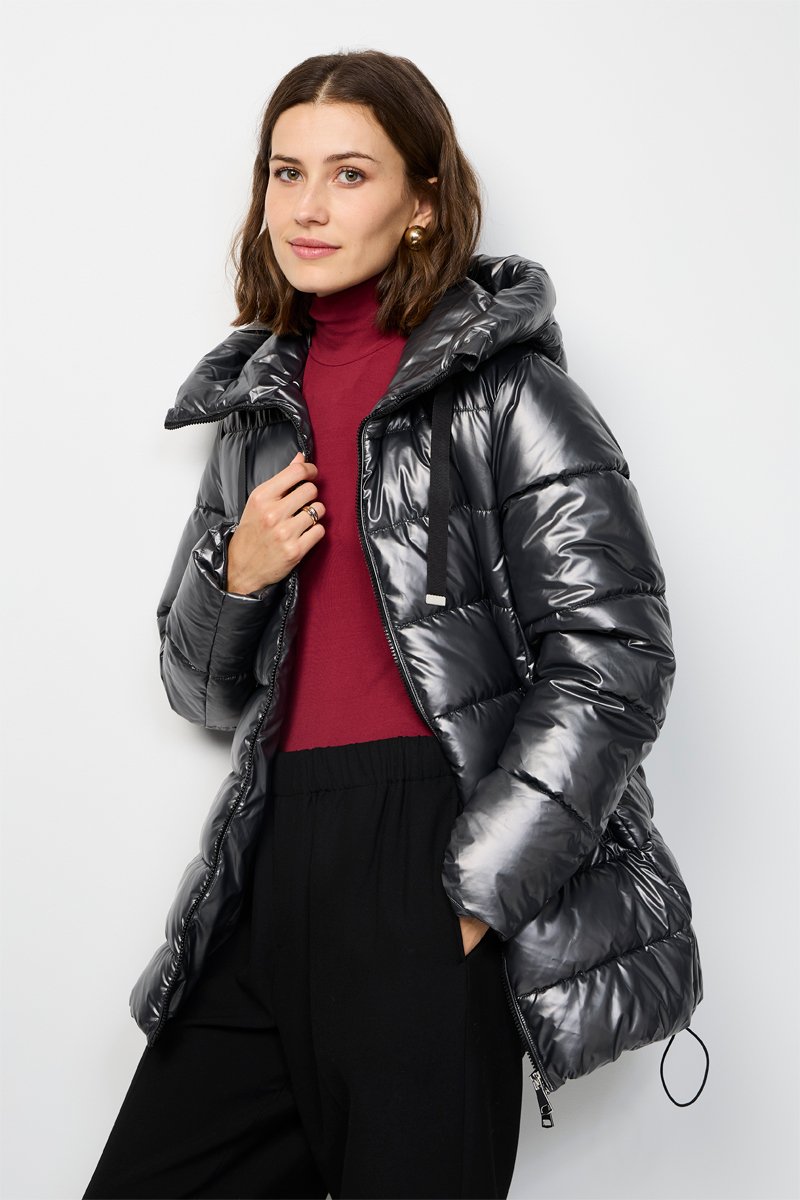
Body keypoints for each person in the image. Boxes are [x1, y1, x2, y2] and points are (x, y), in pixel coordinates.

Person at [82, 48, 703, 1200]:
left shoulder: (509, 393)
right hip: (269, 858)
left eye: (349, 173)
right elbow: (197, 690)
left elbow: (615, 656)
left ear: (421, 203)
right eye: (286, 173)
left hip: (429, 845)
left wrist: (478, 892)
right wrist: (237, 574)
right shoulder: (257, 414)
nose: (307, 207)